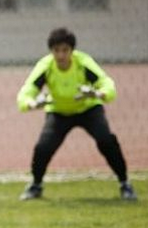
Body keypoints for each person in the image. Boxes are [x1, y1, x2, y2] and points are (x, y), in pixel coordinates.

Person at [16, 27, 137, 201]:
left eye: (65, 50)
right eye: (56, 50)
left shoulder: (83, 63)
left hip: (88, 110)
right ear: (51, 51)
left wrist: (97, 93)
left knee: (106, 140)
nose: (61, 55)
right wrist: (32, 103)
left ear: (72, 51)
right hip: (59, 112)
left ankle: (125, 183)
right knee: (43, 147)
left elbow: (107, 84)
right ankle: (36, 185)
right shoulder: (45, 66)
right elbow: (26, 92)